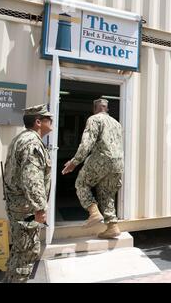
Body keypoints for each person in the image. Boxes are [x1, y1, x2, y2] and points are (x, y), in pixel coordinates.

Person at [3, 104, 53, 283]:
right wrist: (40, 207)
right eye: (49, 119)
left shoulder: (21, 138)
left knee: (19, 250)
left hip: (18, 205)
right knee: (27, 252)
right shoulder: (32, 143)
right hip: (26, 209)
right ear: (38, 122)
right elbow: (32, 180)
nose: (52, 122)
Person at [62, 99, 123, 239]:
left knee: (81, 183)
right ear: (106, 109)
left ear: (95, 108)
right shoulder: (117, 124)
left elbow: (87, 143)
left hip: (101, 160)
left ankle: (93, 212)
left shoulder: (94, 119)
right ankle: (112, 226)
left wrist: (74, 162)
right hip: (118, 163)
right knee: (107, 193)